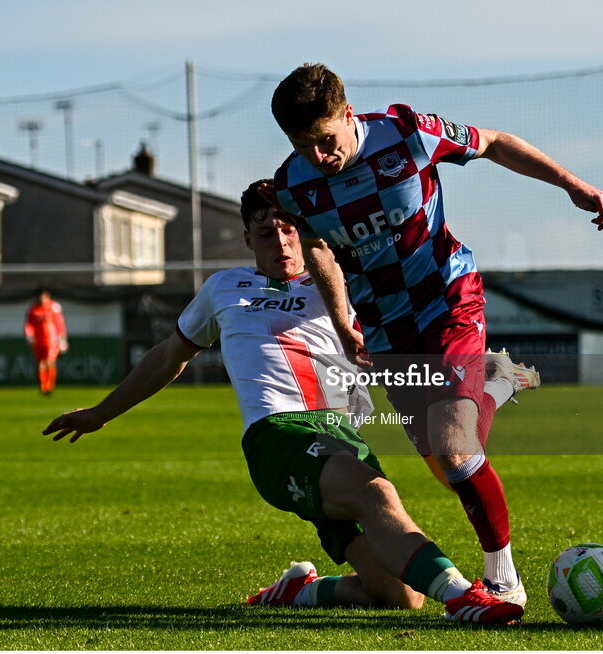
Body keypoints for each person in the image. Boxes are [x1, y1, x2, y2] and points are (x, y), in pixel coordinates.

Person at [41, 181, 524, 625]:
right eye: (267, 231)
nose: (282, 241)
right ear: (248, 239)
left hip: (341, 436)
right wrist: (101, 413)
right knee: (378, 496)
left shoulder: (341, 282)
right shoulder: (224, 288)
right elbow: (169, 356)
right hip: (279, 435)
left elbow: (395, 347)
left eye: (290, 229)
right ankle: (465, 598)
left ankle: (301, 591)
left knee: (399, 595)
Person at [268, 63, 603, 607]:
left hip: (447, 301)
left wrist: (571, 184)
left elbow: (495, 143)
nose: (319, 156)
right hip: (387, 331)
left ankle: (505, 582)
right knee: (443, 462)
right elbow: (316, 248)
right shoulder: (292, 185)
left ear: (346, 113)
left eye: (325, 139)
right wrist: (343, 321)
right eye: (303, 145)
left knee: (455, 448)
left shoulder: (407, 134)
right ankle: (498, 385)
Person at [24, 290, 68, 395]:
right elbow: (29, 324)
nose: (42, 299)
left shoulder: (54, 307)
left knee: (49, 361)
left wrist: (62, 339)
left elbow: (59, 323)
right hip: (38, 341)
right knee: (41, 364)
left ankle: (50, 386)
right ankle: (43, 386)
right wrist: (29, 336)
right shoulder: (33, 310)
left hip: (52, 340)